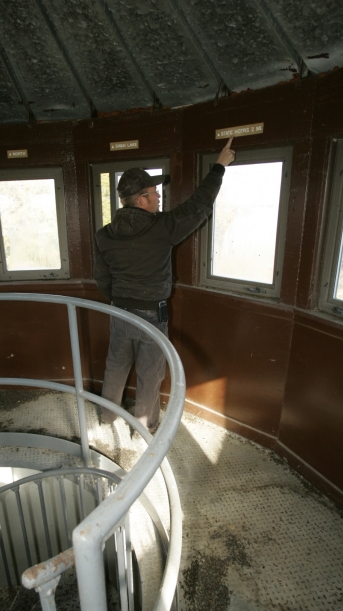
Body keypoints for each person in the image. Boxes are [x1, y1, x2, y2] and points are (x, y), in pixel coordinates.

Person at [94, 137, 235, 432]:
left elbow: (102, 279)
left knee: (115, 367)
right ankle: (145, 429)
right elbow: (198, 205)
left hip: (118, 312)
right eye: (154, 192)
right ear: (141, 200)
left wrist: (120, 300)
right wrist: (219, 167)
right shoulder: (162, 227)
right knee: (150, 374)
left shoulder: (104, 235)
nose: (159, 196)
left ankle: (107, 419)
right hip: (151, 315)